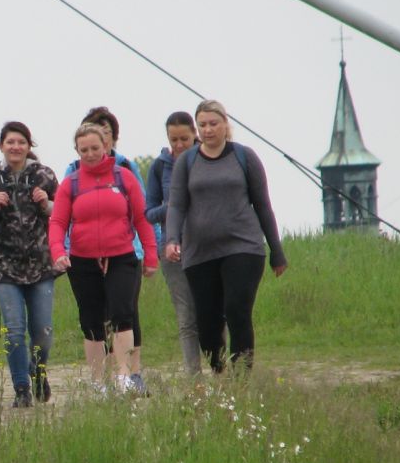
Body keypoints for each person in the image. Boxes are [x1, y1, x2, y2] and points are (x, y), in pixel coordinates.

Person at [164, 99, 287, 373]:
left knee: (237, 311)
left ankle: (241, 379)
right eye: (203, 125)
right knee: (207, 322)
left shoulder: (244, 157)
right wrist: (172, 239)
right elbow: (177, 205)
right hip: (200, 252)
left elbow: (263, 205)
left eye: (213, 123)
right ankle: (219, 374)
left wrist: (276, 251)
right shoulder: (187, 162)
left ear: (225, 124)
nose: (208, 130)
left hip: (243, 247)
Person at [50, 121, 156, 393]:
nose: (90, 154)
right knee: (91, 322)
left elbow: (142, 218)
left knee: (122, 315)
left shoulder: (124, 177)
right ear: (77, 151)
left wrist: (151, 255)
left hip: (121, 256)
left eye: (94, 148)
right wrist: (58, 252)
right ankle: (98, 382)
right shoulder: (70, 184)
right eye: (83, 150)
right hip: (82, 260)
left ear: (106, 146)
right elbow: (58, 222)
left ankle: (124, 376)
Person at [0, 121, 60, 407]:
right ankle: (22, 388)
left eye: (21, 142)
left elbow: (64, 212)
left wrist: (46, 203)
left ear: (29, 146)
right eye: (10, 142)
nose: (15, 147)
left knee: (43, 332)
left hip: (41, 266)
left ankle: (38, 371)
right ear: (1, 145)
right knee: (14, 331)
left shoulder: (44, 175)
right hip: (4, 267)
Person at [145, 111, 203, 375]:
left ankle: (221, 369)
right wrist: (172, 207)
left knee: (214, 311)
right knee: (185, 315)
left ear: (194, 135)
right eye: (174, 140)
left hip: (208, 245)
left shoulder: (207, 159)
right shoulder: (159, 167)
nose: (179, 145)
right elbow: (149, 213)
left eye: (184, 139)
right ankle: (194, 376)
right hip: (173, 249)